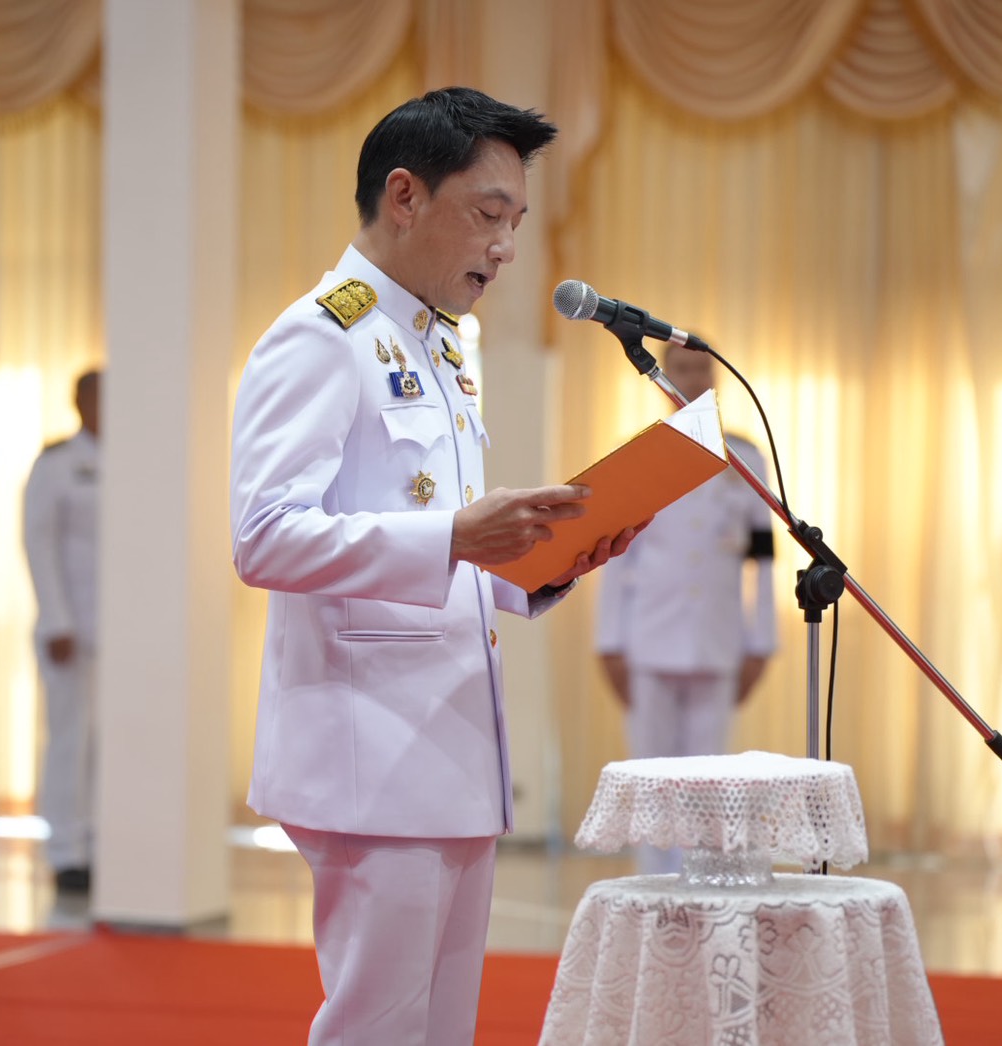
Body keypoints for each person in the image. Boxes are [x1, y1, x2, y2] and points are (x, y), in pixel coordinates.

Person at [230, 87, 645, 1045]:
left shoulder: (436, 344)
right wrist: (455, 537)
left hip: (448, 747)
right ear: (405, 197)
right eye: (488, 215)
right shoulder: (321, 337)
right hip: (368, 753)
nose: (506, 248)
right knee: (377, 1026)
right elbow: (265, 536)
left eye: (516, 222)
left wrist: (547, 558)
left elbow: (437, 538)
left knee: (441, 1028)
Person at [594, 341, 778, 874]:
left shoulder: (744, 458)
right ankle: (656, 884)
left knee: (709, 775)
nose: (692, 378)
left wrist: (762, 642)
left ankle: (700, 882)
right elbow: (615, 559)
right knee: (652, 774)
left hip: (719, 638)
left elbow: (763, 560)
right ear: (662, 375)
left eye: (701, 368)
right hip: (649, 636)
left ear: (715, 377)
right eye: (681, 368)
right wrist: (609, 642)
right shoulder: (639, 457)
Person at [22, 370, 101, 893]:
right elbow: (38, 540)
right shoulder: (57, 464)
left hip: (121, 631)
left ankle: (100, 843)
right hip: (71, 627)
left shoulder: (134, 458)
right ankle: (66, 850)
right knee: (71, 739)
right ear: (79, 402)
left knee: (110, 741)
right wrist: (55, 618)